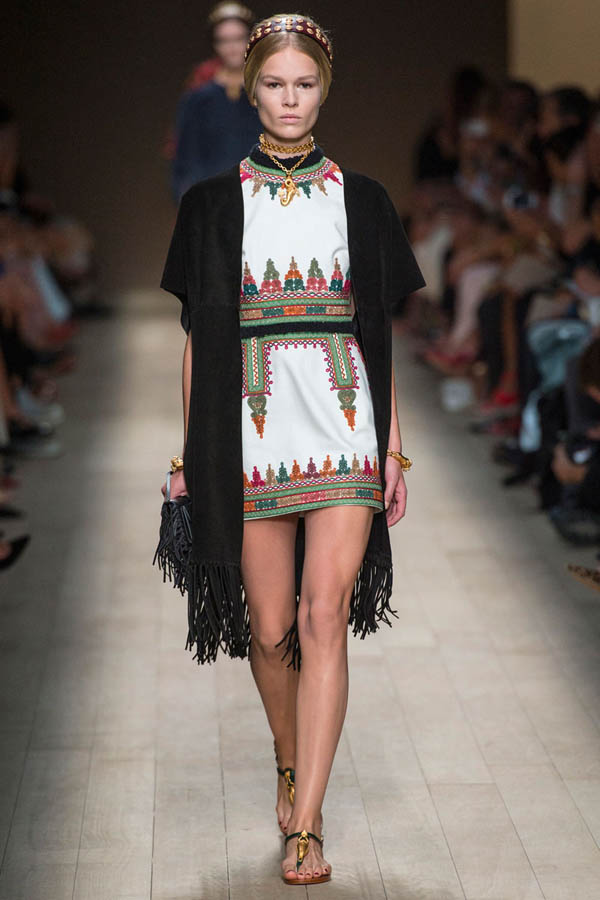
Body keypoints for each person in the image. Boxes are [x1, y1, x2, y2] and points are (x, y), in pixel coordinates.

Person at [159, 12, 425, 886]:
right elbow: (198, 339)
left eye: (304, 84)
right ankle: (288, 757)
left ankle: (306, 823)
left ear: (324, 91)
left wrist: (392, 446)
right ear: (251, 90)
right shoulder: (210, 206)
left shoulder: (364, 200)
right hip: (252, 430)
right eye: (274, 84)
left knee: (323, 618)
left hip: (343, 424)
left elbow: (376, 330)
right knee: (270, 628)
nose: (289, 99)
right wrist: (188, 455)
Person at [170, 1, 261, 201]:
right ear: (214, 44)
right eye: (224, 40)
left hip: (261, 200)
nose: (232, 47)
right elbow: (185, 159)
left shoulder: (266, 94)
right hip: (210, 202)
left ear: (251, 39)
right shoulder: (198, 99)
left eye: (239, 38)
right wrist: (190, 201)